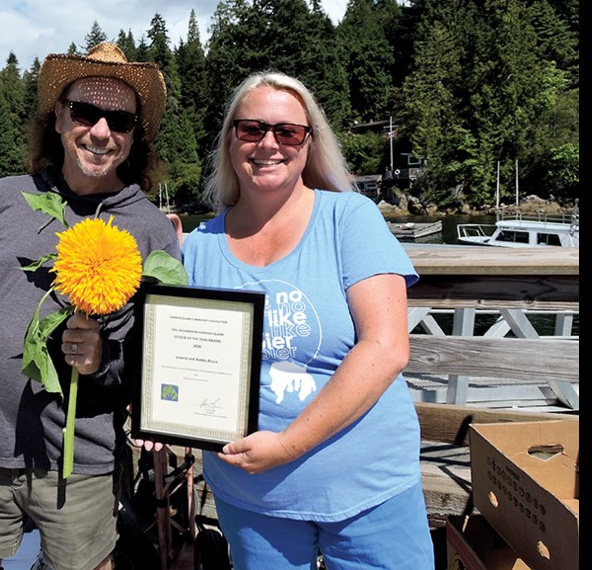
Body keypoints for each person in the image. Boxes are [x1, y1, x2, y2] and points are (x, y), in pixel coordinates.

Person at [0, 42, 181, 570]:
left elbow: (154, 361)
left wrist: (100, 363)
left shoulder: (152, 230)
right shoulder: (5, 196)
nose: (101, 131)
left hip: (81, 461)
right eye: (85, 112)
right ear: (59, 118)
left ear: (136, 136)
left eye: (120, 119)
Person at [181, 71, 435, 569]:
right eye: (251, 129)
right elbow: (185, 355)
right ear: (231, 140)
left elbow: (386, 348)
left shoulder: (350, 218)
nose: (268, 144)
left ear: (309, 143)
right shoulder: (199, 246)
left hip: (368, 488)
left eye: (287, 132)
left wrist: (287, 445)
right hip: (250, 496)